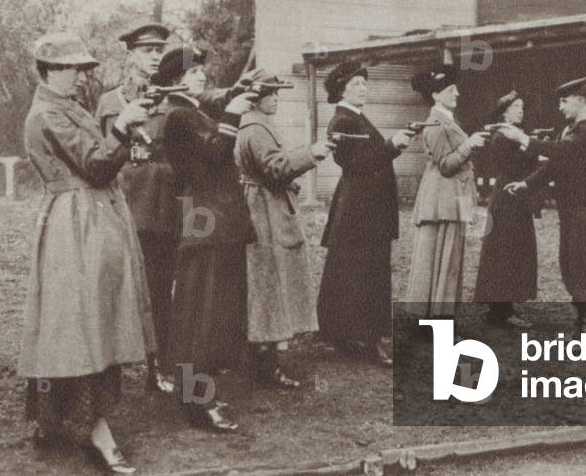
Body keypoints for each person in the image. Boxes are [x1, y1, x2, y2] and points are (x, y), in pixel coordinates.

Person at [20, 31, 155, 474]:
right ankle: (91, 428)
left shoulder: (69, 106)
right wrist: (119, 128)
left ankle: (60, 419)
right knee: (78, 322)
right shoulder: (45, 114)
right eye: (74, 68)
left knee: (89, 318)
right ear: (52, 70)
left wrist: (126, 136)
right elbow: (95, 166)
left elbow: (101, 160)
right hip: (73, 224)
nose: (82, 75)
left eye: (83, 68)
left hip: (93, 219)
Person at [151, 46, 258, 431]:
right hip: (204, 221)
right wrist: (233, 113)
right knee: (201, 314)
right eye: (192, 72)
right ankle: (197, 402)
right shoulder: (179, 116)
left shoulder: (191, 111)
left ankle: (201, 393)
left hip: (214, 221)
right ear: (173, 81)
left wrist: (233, 100)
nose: (201, 76)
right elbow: (215, 155)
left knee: (212, 314)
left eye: (200, 70)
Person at [235, 69, 336, 388]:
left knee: (264, 284)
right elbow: (275, 169)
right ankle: (264, 365)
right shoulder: (256, 127)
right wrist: (311, 154)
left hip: (263, 204)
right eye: (272, 93)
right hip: (265, 210)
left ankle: (260, 358)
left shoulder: (253, 124)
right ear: (256, 97)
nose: (277, 98)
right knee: (269, 284)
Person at [500, 77, 586, 340]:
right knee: (571, 265)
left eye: (564, 101)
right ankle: (583, 319)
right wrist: (527, 184)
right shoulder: (574, 130)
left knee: (584, 267)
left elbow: (560, 152)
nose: (560, 107)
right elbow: (555, 164)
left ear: (580, 100)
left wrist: (523, 139)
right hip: (573, 210)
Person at [316, 60, 415, 366]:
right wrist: (391, 146)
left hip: (366, 208)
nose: (364, 88)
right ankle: (364, 339)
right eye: (356, 84)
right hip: (359, 211)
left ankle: (353, 336)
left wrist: (393, 145)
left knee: (362, 271)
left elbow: (369, 157)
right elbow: (355, 164)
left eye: (364, 83)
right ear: (342, 89)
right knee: (361, 272)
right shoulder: (342, 121)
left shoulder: (355, 117)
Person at [95, 23, 177, 394]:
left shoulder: (172, 99)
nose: (155, 55)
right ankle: (107, 367)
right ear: (130, 55)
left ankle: (160, 367)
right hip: (129, 205)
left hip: (167, 206)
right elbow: (104, 154)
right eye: (147, 50)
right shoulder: (112, 103)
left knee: (162, 289)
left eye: (159, 49)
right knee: (121, 289)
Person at [404, 64, 489, 320]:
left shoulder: (444, 120)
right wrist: (469, 144)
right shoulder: (436, 124)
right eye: (451, 89)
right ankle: (438, 322)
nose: (457, 93)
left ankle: (437, 321)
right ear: (435, 95)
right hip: (443, 203)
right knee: (442, 264)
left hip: (449, 201)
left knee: (443, 264)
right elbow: (446, 165)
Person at [473, 91, 537, 328]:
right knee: (504, 250)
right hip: (507, 197)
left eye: (522, 106)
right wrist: (530, 151)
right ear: (505, 111)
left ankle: (502, 307)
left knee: (510, 250)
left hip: (513, 196)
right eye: (516, 106)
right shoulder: (502, 137)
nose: (521, 110)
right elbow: (512, 167)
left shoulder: (512, 135)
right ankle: (501, 310)